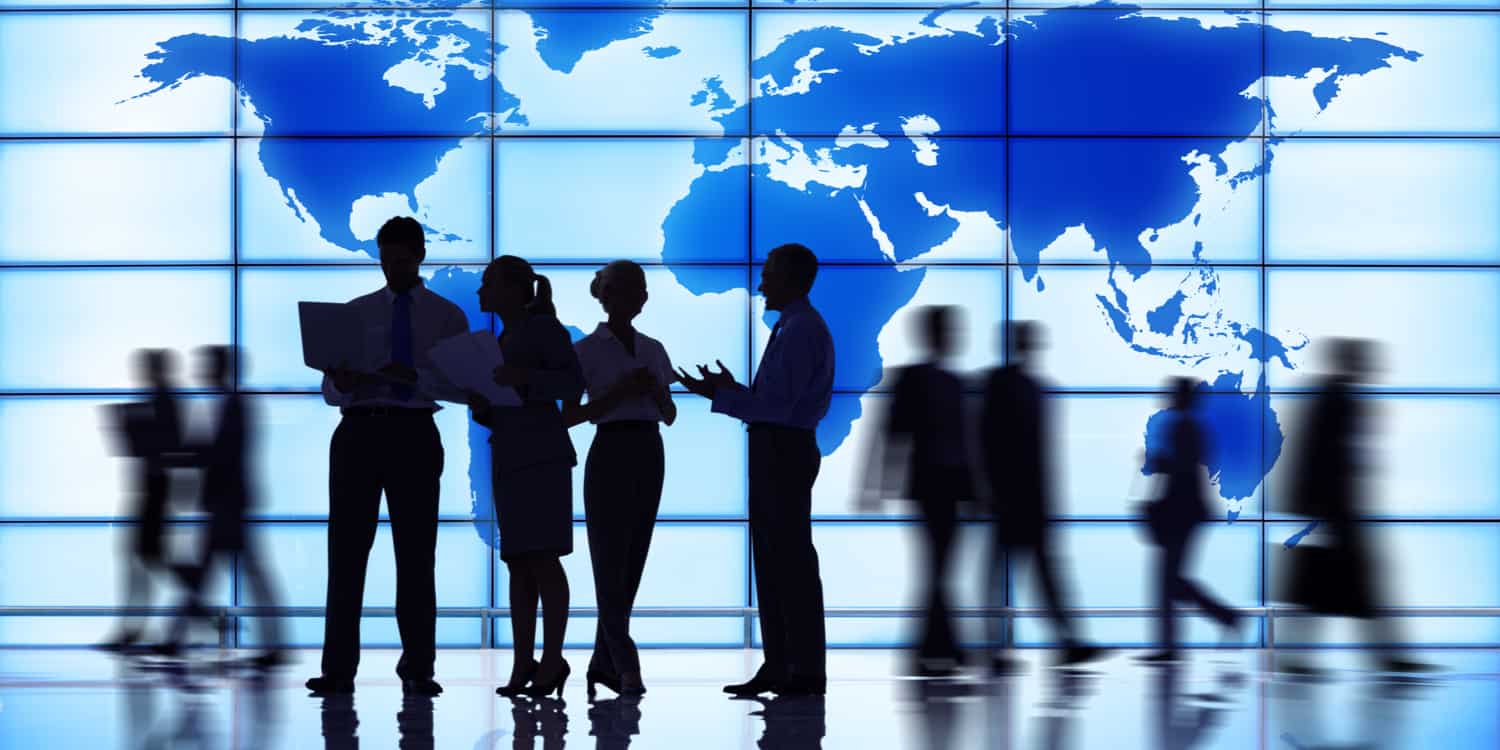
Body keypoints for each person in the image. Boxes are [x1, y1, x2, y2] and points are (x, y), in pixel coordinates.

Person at [307, 216, 469, 697]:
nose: (392, 269)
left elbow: (461, 385)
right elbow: (329, 393)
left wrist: (414, 377)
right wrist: (340, 380)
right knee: (346, 554)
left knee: (417, 555)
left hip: (413, 432)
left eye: (400, 260)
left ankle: (418, 667)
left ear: (420, 256)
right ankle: (338, 669)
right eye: (385, 260)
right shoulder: (354, 313)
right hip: (357, 430)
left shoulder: (446, 317)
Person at [678, 242, 834, 697]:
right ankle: (784, 664)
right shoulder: (794, 325)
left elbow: (779, 407)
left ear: (789, 278)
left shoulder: (801, 329)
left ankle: (798, 668)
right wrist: (729, 391)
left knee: (786, 560)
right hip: (779, 448)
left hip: (783, 449)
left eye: (768, 273)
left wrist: (722, 397)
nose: (761, 282)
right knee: (775, 559)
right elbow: (779, 401)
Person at [467, 255, 586, 700]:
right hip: (513, 454)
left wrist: (522, 377)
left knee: (541, 560)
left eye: (487, 284)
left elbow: (572, 382)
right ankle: (525, 662)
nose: (480, 293)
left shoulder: (543, 329)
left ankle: (551, 659)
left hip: (540, 457)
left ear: (513, 290)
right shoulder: (505, 336)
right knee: (518, 561)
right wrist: (483, 402)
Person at [1277, 339, 1431, 674]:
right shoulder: (1337, 398)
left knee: (1325, 586)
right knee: (1355, 584)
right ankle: (1387, 657)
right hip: (1338, 508)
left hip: (1330, 508)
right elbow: (1331, 458)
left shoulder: (1326, 395)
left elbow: (1310, 456)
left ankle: (1301, 658)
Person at [562, 260, 677, 698]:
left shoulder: (654, 349)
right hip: (609, 448)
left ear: (644, 300)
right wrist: (617, 396)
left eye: (636, 291)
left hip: (648, 448)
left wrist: (655, 394)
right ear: (603, 296)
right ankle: (625, 661)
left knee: (631, 561)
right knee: (609, 560)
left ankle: (601, 662)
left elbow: (669, 415)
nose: (629, 298)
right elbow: (569, 415)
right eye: (620, 290)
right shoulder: (585, 351)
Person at [980, 322, 1103, 671]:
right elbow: (991, 442)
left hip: (1026, 496)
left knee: (1016, 573)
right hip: (1015, 496)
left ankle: (1047, 642)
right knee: (1017, 573)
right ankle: (1053, 641)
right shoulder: (1017, 387)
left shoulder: (1020, 387)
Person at [156, 346, 285, 669]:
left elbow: (222, 452)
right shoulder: (230, 403)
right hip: (227, 500)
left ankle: (177, 637)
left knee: (225, 571)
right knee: (219, 571)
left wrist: (183, 455)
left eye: (206, 364)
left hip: (228, 500)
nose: (201, 370)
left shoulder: (233, 404)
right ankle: (178, 637)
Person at [866, 306, 970, 676]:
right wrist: (876, 484)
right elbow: (892, 435)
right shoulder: (939, 383)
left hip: (941, 486)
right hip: (935, 486)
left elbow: (893, 435)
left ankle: (937, 645)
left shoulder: (939, 382)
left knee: (938, 567)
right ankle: (939, 646)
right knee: (939, 567)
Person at [1139, 377, 1241, 662]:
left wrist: (1157, 463)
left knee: (1169, 580)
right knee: (1172, 580)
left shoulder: (1182, 427)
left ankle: (1219, 620)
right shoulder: (1194, 427)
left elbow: (1179, 470)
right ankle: (1222, 619)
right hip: (1188, 511)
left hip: (1180, 511)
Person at [100, 348, 183, 653]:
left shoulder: (164, 401)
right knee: (143, 556)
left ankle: (139, 626)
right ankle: (136, 627)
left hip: (155, 489)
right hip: (152, 488)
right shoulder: (162, 400)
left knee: (146, 556)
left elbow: (169, 446)